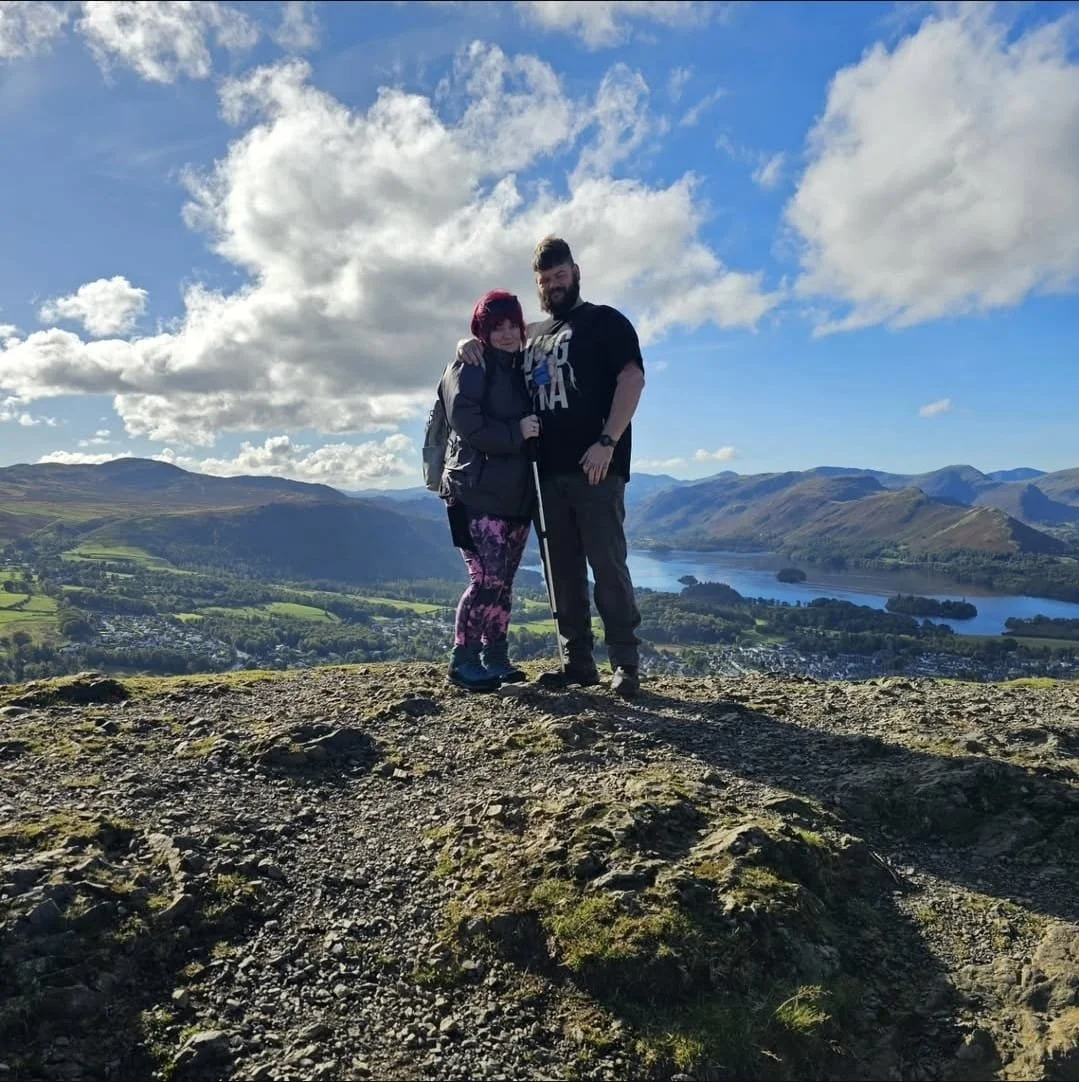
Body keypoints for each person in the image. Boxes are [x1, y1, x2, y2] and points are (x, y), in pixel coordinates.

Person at [457, 237, 646, 698]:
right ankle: (577, 663)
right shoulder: (534, 334)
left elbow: (632, 378)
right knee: (561, 572)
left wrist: (607, 441)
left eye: (560, 276)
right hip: (545, 475)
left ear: (576, 272)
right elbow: (498, 353)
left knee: (608, 567)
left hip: (596, 468)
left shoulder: (606, 321)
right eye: (544, 280)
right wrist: (467, 343)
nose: (553, 285)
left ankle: (625, 663)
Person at [439, 290, 540, 692]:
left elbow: (554, 328)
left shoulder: (520, 366)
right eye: (495, 326)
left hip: (514, 495)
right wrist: (516, 432)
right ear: (481, 329)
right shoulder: (469, 365)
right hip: (475, 492)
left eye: (512, 324)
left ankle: (495, 657)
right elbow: (467, 424)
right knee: (485, 580)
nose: (506, 333)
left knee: (503, 582)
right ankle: (463, 660)